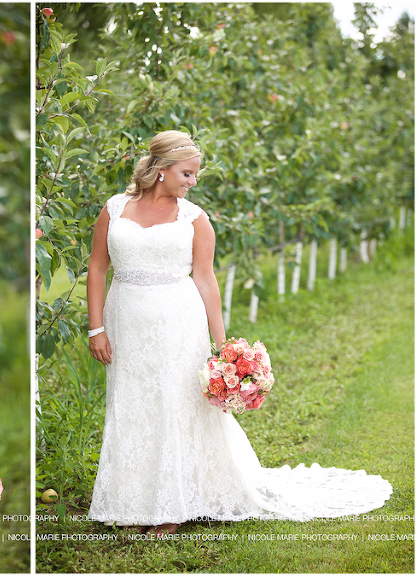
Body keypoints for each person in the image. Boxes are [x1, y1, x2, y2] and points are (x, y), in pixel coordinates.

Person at [85, 130, 392, 536]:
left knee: (178, 406)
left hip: (179, 321)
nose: (193, 182)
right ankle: (134, 502)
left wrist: (222, 347)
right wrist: (96, 328)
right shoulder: (114, 208)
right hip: (126, 319)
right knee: (132, 404)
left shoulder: (195, 218)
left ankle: (174, 504)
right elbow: (97, 268)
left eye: (195, 175)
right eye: (187, 173)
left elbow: (207, 281)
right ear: (161, 169)